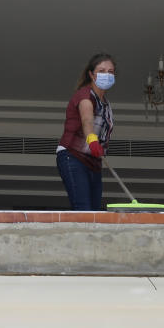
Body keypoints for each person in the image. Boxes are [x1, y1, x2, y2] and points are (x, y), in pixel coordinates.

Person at [56, 53, 116, 210]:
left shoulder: (106, 104)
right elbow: (87, 119)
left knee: (95, 212)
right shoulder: (85, 95)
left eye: (110, 72)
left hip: (94, 162)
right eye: (102, 71)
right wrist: (91, 138)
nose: (107, 75)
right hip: (73, 156)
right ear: (91, 74)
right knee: (83, 209)